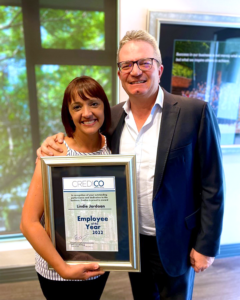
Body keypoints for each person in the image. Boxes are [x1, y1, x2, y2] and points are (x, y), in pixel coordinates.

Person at [37, 30, 224, 300]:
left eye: (144, 62)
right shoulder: (110, 118)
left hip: (176, 241)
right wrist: (49, 144)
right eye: (127, 65)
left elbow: (213, 186)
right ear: (119, 73)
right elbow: (78, 144)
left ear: (159, 68)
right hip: (131, 243)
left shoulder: (194, 112)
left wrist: (206, 246)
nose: (135, 71)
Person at [20, 76, 111, 300]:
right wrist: (63, 268)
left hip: (99, 265)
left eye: (94, 103)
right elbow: (28, 223)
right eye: (77, 106)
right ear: (68, 114)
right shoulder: (55, 153)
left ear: (105, 107)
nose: (87, 113)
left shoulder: (112, 150)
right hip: (59, 274)